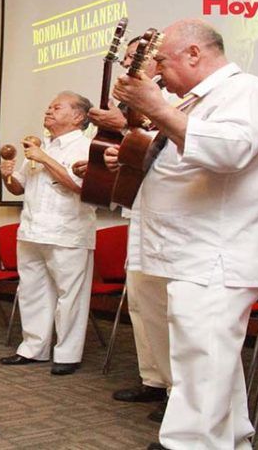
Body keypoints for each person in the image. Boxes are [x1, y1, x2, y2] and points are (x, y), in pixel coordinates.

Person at [106, 19, 258, 450]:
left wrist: (158, 108)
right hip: (188, 253)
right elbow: (179, 164)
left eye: (163, 62)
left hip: (216, 255)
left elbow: (230, 152)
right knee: (208, 365)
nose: (157, 73)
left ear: (194, 53)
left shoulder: (248, 93)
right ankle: (230, 441)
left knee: (201, 363)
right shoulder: (195, 101)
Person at [76, 36, 174, 420]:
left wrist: (122, 123)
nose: (128, 64)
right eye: (128, 57)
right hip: (140, 209)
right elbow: (131, 152)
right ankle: (153, 379)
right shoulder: (128, 101)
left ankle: (176, 390)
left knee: (166, 304)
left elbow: (169, 138)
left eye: (136, 57)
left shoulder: (172, 97)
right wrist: (97, 162)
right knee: (140, 298)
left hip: (170, 214)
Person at [0, 91, 96, 375]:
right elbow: (18, 187)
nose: (49, 110)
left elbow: (80, 186)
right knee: (31, 291)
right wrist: (7, 173)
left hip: (67, 232)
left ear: (78, 116)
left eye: (57, 107)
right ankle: (33, 348)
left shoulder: (86, 146)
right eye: (49, 105)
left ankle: (67, 354)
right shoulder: (39, 147)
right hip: (30, 230)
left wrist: (43, 158)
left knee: (70, 297)